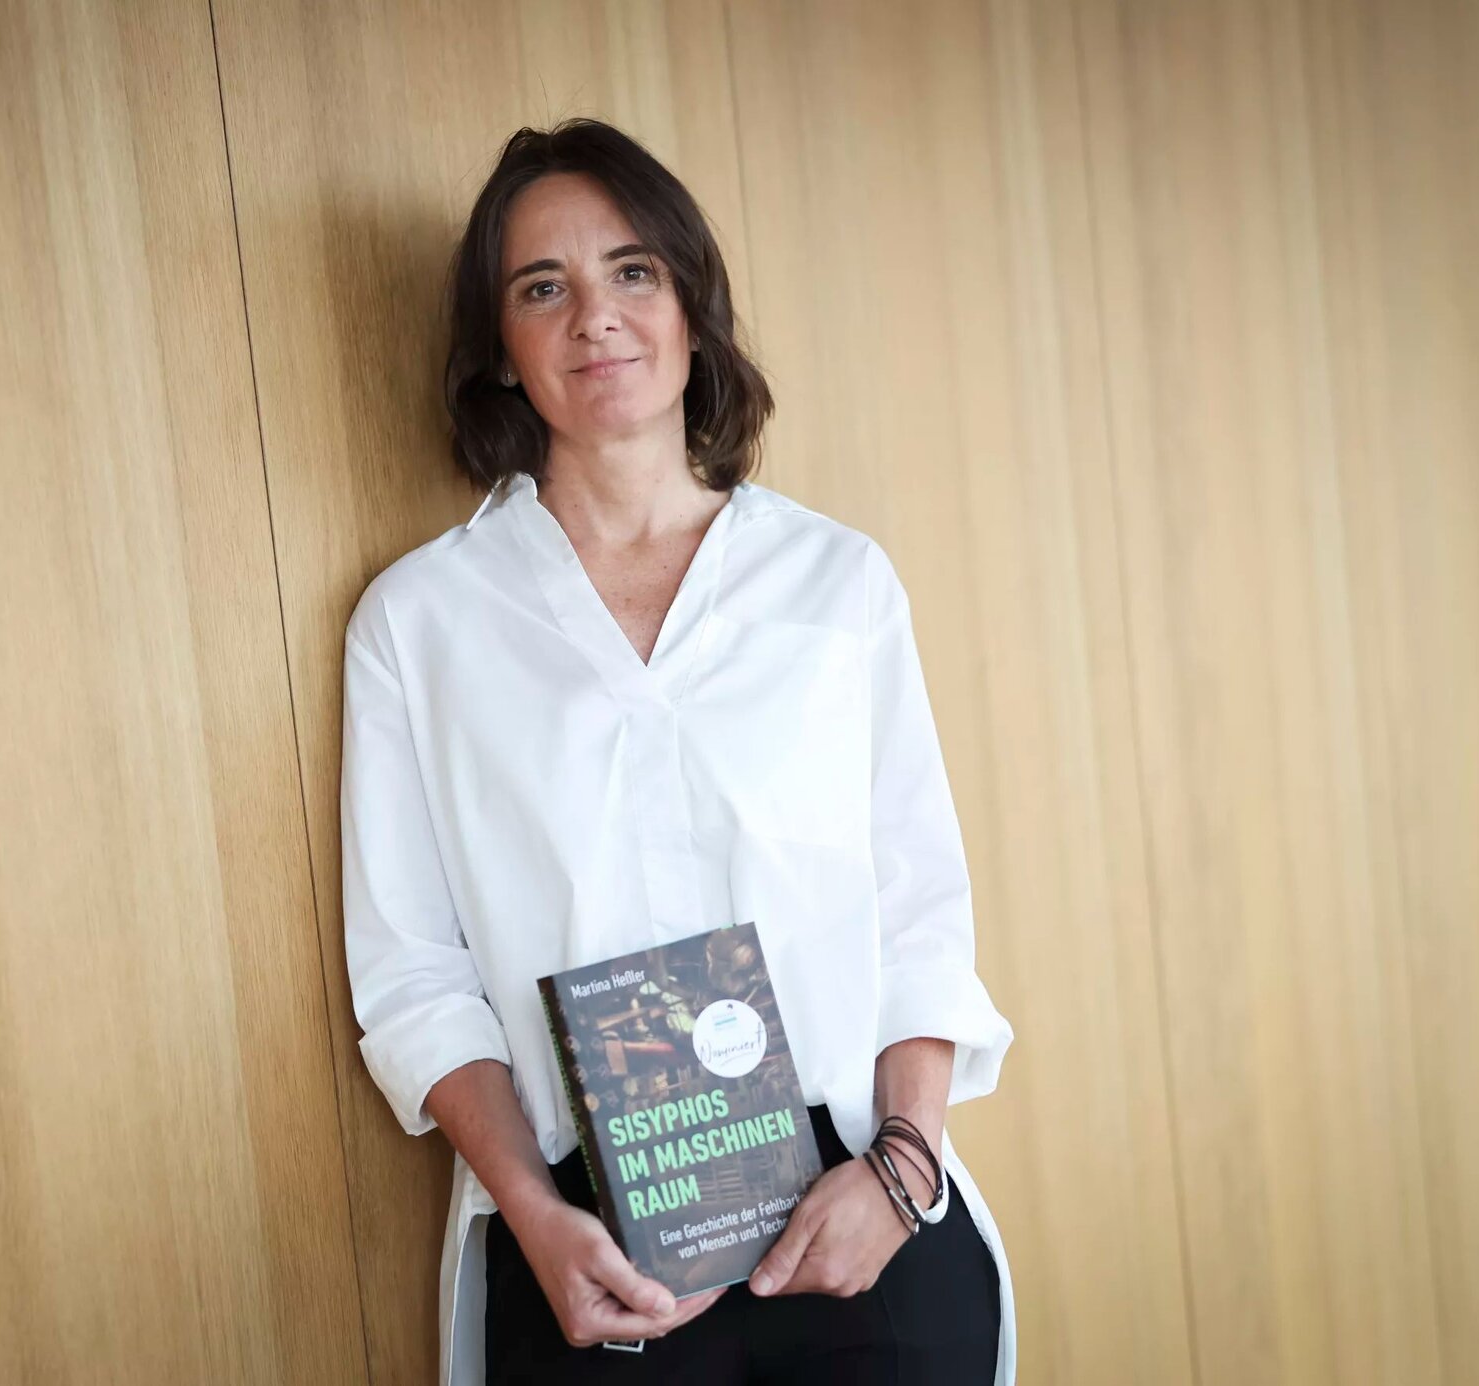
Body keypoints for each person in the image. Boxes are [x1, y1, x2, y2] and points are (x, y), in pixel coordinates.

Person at [340, 118, 1016, 1386]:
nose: (594, 315)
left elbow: (919, 912)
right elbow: (413, 975)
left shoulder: (834, 583)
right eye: (542, 287)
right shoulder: (418, 624)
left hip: (856, 1213)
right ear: (499, 349)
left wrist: (900, 1172)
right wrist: (532, 1219)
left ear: (691, 310)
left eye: (631, 271)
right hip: (586, 1247)